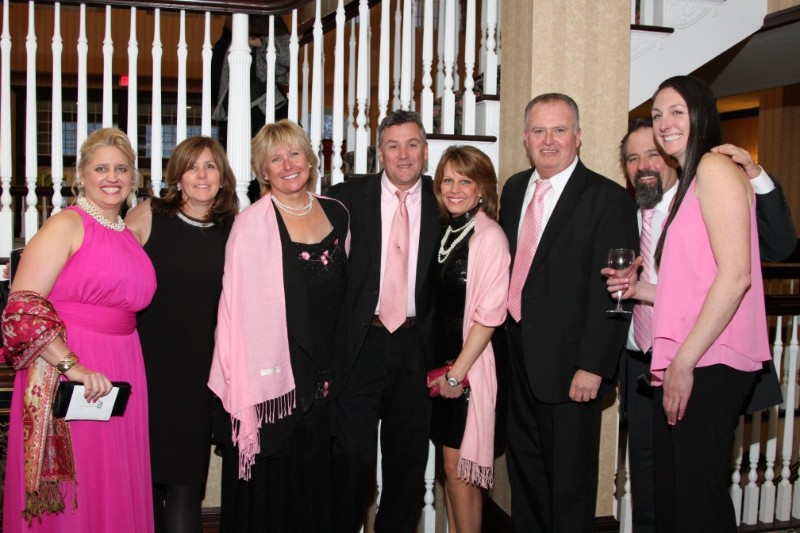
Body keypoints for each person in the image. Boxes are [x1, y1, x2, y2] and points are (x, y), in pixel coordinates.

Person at [606, 76, 774, 532]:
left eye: (676, 111)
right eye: (657, 114)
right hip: (689, 355)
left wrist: (683, 362)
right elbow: (696, 281)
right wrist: (640, 291)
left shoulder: (715, 170)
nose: (664, 123)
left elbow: (735, 275)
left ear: (700, 113)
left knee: (697, 503)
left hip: (709, 359)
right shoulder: (689, 182)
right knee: (675, 498)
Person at [1, 128, 156, 532]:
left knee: (116, 480)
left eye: (122, 168)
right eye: (101, 167)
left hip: (124, 365)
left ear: (133, 178)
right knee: (77, 492)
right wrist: (73, 366)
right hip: (70, 369)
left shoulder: (128, 234)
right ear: (81, 174)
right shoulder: (67, 224)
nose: (112, 177)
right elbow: (21, 307)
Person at [499, 93, 638, 533]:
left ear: (578, 137)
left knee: (570, 486)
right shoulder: (515, 187)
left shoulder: (608, 198)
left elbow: (616, 294)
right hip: (516, 354)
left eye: (560, 130)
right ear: (525, 138)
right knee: (527, 476)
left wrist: (594, 367)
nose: (549, 140)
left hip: (572, 368)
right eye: (539, 131)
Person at [208, 120, 349, 533]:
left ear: (310, 159)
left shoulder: (337, 213)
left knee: (314, 486)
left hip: (325, 377)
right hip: (273, 381)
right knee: (271, 492)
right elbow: (234, 313)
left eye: (295, 153)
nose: (288, 164)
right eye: (275, 158)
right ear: (263, 171)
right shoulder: (250, 224)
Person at [327, 109, 440, 533]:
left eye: (412, 144)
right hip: (359, 346)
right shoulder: (343, 200)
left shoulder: (444, 198)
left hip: (417, 347)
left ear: (425, 151)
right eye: (393, 146)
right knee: (351, 457)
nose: (404, 154)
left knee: (407, 461)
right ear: (379, 153)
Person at [125, 136, 239, 533]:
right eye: (192, 167)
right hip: (145, 367)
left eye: (210, 166)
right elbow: (111, 274)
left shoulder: (234, 230)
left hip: (200, 377)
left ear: (223, 177)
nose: (202, 175)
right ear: (178, 175)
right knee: (142, 483)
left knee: (186, 486)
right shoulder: (149, 214)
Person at [428, 146, 510, 533]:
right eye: (448, 179)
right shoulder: (448, 229)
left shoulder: (489, 236)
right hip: (442, 367)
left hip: (469, 369)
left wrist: (456, 375)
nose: (455, 188)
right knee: (450, 469)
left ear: (482, 189)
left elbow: (489, 318)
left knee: (459, 470)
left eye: (466, 180)